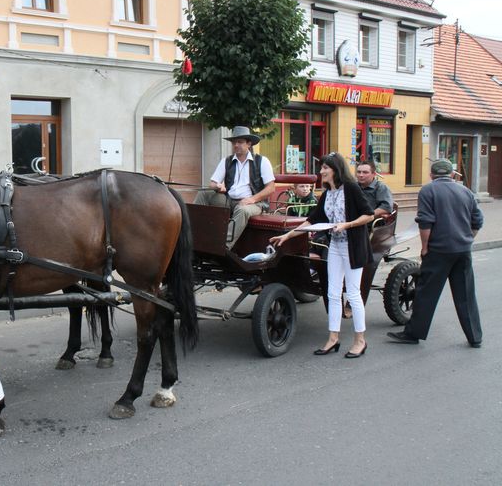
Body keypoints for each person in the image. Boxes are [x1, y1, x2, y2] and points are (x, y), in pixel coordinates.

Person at [270, 152, 374, 358]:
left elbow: (369, 214)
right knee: (333, 293)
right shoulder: (327, 194)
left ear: (335, 169)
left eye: (325, 168)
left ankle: (360, 340)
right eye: (322, 167)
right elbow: (312, 220)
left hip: (353, 247)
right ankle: (333, 338)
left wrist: (347, 224)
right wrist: (287, 236)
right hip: (335, 246)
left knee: (353, 294)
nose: (321, 171)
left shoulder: (351, 189)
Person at [387, 159, 484, 348]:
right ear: (452, 175)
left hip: (439, 250)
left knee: (426, 293)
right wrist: (468, 239)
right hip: (462, 250)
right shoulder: (466, 191)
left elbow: (425, 222)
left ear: (431, 175)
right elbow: (477, 221)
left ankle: (413, 333)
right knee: (466, 294)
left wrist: (424, 248)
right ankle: (475, 337)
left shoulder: (428, 190)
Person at [194, 126, 275, 250]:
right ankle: (194, 235)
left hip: (255, 203)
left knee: (243, 210)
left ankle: (222, 246)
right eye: (234, 142)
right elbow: (212, 184)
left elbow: (271, 188)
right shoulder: (226, 161)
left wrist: (252, 199)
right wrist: (218, 186)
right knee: (204, 194)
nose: (236, 145)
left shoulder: (262, 161)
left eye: (240, 142)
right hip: (229, 200)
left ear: (249, 144)